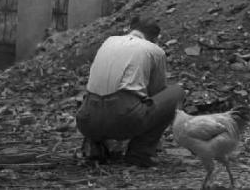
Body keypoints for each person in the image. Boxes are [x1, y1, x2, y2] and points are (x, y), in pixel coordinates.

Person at [76, 16, 185, 167]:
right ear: (154, 38)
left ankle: (96, 148)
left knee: (99, 93)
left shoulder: (108, 41)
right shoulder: (154, 50)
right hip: (123, 119)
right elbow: (156, 93)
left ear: (130, 29)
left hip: (86, 121)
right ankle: (139, 154)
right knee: (176, 93)